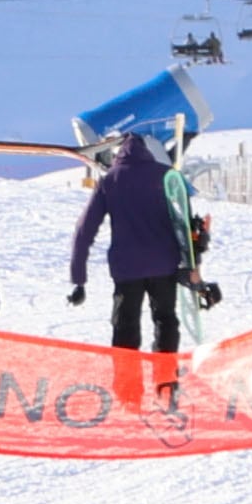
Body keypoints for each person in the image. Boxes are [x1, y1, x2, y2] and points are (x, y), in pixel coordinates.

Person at [68, 132, 190, 401]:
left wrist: (79, 279)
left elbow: (84, 231)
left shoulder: (110, 181)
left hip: (127, 269)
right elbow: (184, 221)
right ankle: (166, 384)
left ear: (116, 155)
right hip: (164, 265)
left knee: (125, 326)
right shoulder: (165, 175)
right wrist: (191, 264)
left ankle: (128, 394)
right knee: (165, 321)